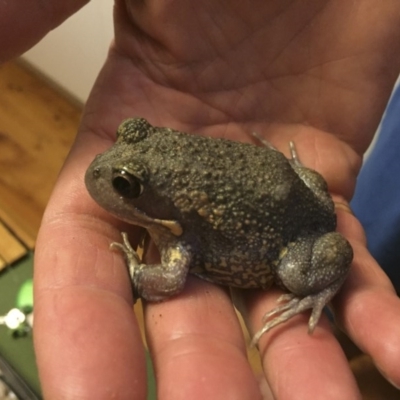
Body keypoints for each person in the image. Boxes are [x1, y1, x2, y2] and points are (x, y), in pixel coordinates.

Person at [2, 1, 400, 399]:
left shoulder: (178, 235)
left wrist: (136, 270)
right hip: (292, 180)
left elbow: (169, 279)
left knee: (301, 273)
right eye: (129, 135)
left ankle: (325, 304)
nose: (101, 169)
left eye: (124, 184)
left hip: (296, 233)